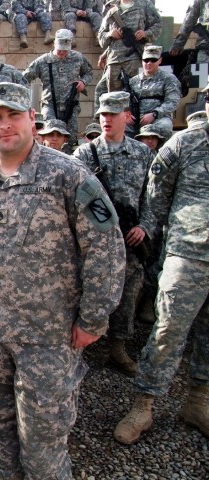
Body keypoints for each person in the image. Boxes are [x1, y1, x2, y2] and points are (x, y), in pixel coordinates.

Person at [0, 82, 125, 479]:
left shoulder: (69, 175)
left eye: (14, 115)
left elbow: (107, 248)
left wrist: (93, 319)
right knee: (1, 437)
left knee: (44, 449)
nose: (5, 125)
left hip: (50, 337)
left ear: (32, 118)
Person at [113, 83, 209, 445]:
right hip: (189, 254)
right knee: (168, 332)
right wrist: (150, 238)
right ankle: (143, 406)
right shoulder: (185, 143)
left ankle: (198, 402)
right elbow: (155, 200)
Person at [73, 91, 155, 377]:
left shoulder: (143, 153)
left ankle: (117, 348)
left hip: (131, 239)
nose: (106, 119)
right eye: (102, 114)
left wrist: (144, 225)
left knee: (129, 293)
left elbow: (151, 197)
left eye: (112, 114)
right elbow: (77, 200)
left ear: (127, 117)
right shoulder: (84, 154)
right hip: (94, 240)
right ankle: (79, 345)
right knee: (86, 290)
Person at [23, 28, 92, 148]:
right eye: (60, 50)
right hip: (50, 104)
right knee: (50, 135)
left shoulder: (78, 58)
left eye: (65, 50)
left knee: (70, 138)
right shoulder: (43, 61)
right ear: (54, 43)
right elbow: (24, 78)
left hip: (71, 105)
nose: (62, 53)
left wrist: (83, 82)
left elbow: (89, 73)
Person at [97, 0, 161, 93]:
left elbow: (157, 24)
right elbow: (101, 35)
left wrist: (146, 33)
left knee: (136, 94)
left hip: (135, 57)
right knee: (114, 97)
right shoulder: (110, 7)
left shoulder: (145, 4)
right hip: (115, 59)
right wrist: (110, 34)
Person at [127, 45, 181, 137]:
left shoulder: (168, 79)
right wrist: (126, 114)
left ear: (160, 60)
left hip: (159, 118)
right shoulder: (132, 81)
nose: (149, 63)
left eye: (153, 60)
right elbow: (124, 100)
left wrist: (155, 114)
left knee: (164, 127)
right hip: (135, 119)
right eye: (146, 60)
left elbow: (172, 102)